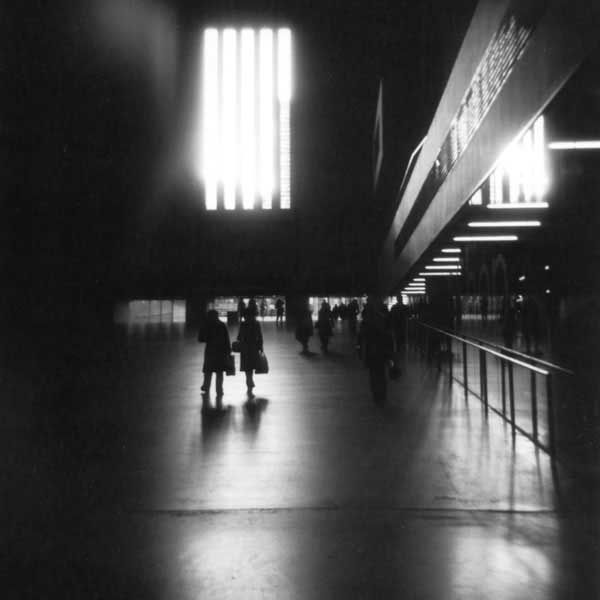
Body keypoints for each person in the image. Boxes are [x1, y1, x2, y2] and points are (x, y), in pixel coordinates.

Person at [357, 295, 394, 405]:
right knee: (380, 374)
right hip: (381, 350)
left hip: (371, 350)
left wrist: (359, 349)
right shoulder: (382, 317)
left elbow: (361, 335)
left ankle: (377, 395)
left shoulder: (367, 319)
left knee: (374, 374)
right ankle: (381, 395)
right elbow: (388, 334)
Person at [200, 310, 232, 405]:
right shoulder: (222, 325)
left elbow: (201, 338)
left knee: (208, 371)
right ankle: (219, 389)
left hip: (210, 351)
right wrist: (228, 351)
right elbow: (226, 339)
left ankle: (206, 387)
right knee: (219, 372)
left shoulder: (207, 325)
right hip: (220, 352)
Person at [238, 308, 264, 398]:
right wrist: (261, 347)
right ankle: (250, 379)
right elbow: (260, 336)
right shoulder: (256, 324)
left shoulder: (243, 324)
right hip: (254, 347)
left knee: (246, 365)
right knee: (252, 364)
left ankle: (249, 379)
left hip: (245, 347)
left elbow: (239, 336)